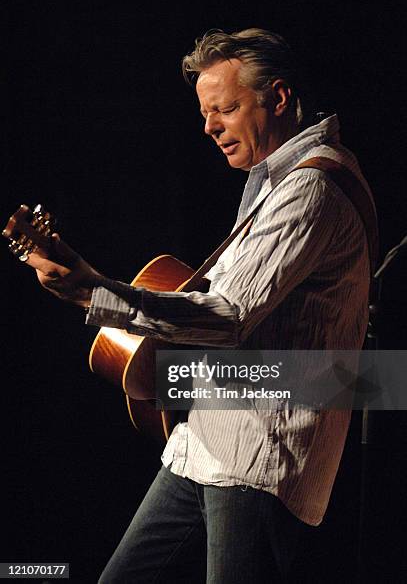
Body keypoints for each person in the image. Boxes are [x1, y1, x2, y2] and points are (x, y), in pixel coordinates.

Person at [26, 29, 375, 583]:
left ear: (278, 99)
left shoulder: (312, 188)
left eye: (225, 109)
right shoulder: (278, 178)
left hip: (259, 456)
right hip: (207, 440)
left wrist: (94, 290)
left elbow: (228, 317)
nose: (209, 126)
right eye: (206, 111)